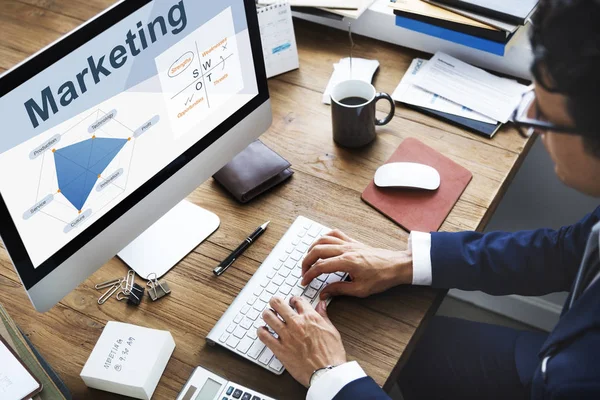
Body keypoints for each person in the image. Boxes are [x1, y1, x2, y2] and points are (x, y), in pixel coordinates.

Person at [256, 0, 600, 398]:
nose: (534, 130)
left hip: (557, 376)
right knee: (415, 349)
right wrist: (406, 262)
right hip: (552, 359)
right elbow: (566, 252)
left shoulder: (582, 382)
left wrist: (330, 374)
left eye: (544, 117)